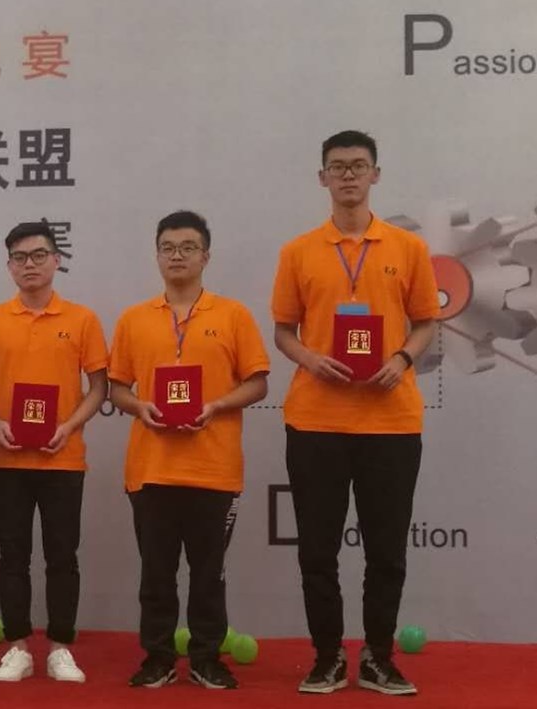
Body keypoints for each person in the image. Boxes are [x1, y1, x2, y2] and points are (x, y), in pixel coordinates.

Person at [271, 130, 439, 696]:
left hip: (391, 421)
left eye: (358, 165)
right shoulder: (298, 251)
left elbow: (426, 321)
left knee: (386, 550)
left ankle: (377, 658)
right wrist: (311, 359)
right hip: (315, 421)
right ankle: (326, 658)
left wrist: (402, 358)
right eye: (338, 166)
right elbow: (283, 331)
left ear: (375, 175)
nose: (348, 175)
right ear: (322, 177)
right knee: (317, 550)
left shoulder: (407, 248)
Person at [108, 210, 269, 690]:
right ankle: (157, 657)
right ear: (157, 255)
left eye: (188, 247)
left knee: (209, 574)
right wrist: (140, 406)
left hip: (214, 470)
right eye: (168, 247)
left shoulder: (233, 315)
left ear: (206, 256)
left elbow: (258, 382)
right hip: (151, 469)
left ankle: (206, 657)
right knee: (156, 574)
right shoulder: (134, 319)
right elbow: (117, 388)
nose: (177, 256)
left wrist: (216, 405)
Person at [0, 222, 108, 683]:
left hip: (63, 457)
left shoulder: (82, 319)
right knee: (12, 555)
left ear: (56, 260)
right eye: (20, 257)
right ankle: (18, 648)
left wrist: (69, 426)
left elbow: (99, 386)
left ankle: (61, 648)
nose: (30, 264)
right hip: (7, 457)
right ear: (9, 266)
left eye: (39, 255)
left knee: (62, 555)